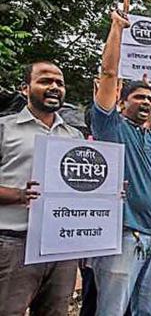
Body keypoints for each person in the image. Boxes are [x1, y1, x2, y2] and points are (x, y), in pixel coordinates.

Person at [89, 11, 151, 315]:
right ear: (122, 102)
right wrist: (116, 29)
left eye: (150, 98)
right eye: (138, 97)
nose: (147, 102)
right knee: (112, 310)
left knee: (149, 312)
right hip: (124, 234)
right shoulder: (111, 128)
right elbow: (109, 74)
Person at [0, 61, 82, 315]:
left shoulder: (75, 137)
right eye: (45, 81)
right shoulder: (4, 129)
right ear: (25, 88)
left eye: (59, 82)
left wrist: (107, 195)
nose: (54, 87)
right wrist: (17, 195)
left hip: (62, 246)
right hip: (14, 243)